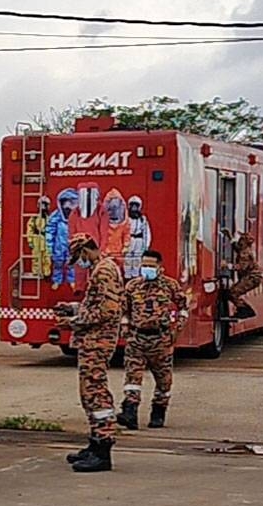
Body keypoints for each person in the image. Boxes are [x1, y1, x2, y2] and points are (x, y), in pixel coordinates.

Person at [54, 232, 124, 473]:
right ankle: (95, 443)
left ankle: (103, 449)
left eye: (79, 257)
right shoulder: (101, 268)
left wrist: (73, 322)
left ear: (85, 251)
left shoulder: (104, 271)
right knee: (88, 393)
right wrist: (73, 308)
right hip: (92, 341)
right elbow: (95, 304)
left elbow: (108, 311)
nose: (79, 262)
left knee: (96, 392)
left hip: (98, 342)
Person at [116, 250, 188, 431]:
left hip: (161, 339)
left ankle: (158, 412)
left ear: (159, 267)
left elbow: (183, 307)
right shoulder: (132, 286)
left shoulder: (170, 285)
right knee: (133, 377)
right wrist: (125, 327)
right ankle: (130, 412)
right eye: (144, 265)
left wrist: (177, 328)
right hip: (137, 338)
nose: (147, 269)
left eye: (151, 266)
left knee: (164, 380)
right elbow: (124, 310)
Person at [224, 230, 261, 319]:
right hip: (250, 277)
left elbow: (241, 267)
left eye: (241, 240)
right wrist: (229, 236)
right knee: (231, 292)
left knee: (233, 293)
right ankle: (243, 309)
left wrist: (227, 266)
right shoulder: (243, 249)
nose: (239, 241)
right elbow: (235, 246)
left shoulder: (245, 253)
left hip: (252, 278)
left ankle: (245, 310)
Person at [46, 188, 77, 290]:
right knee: (58, 262)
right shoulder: (56, 216)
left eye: (71, 203)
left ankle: (72, 280)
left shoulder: (78, 216)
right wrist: (49, 247)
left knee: (72, 263)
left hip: (72, 243)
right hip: (59, 244)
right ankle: (56, 280)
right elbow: (50, 231)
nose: (67, 206)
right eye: (65, 203)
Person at [125, 196, 152, 279]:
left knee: (137, 259)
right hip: (129, 239)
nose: (133, 208)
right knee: (128, 258)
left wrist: (146, 245)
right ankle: (127, 276)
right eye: (132, 206)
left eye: (135, 206)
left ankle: (135, 275)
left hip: (139, 240)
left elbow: (146, 232)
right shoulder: (126, 218)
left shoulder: (142, 219)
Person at [26, 196, 52, 279]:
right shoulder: (34, 218)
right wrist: (30, 241)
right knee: (36, 258)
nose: (43, 207)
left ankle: (46, 273)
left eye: (45, 205)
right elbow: (30, 229)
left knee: (47, 258)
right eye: (42, 205)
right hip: (37, 239)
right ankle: (36, 273)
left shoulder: (51, 218)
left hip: (47, 240)